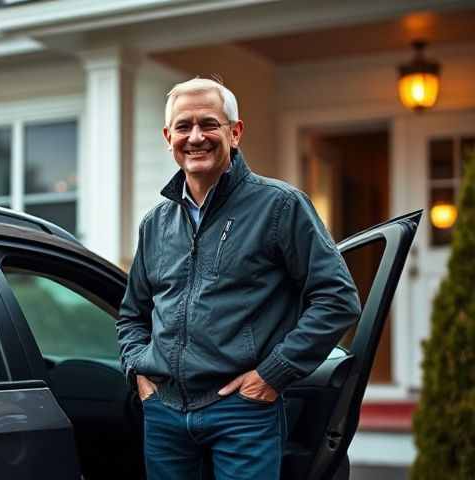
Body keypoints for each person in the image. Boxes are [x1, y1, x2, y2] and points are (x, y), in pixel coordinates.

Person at [116, 77, 361, 480]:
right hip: (165, 416)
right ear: (168, 137)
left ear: (235, 131)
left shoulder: (280, 206)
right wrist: (138, 371)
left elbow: (337, 300)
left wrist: (272, 374)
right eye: (183, 126)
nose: (196, 137)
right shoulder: (155, 224)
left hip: (242, 413)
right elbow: (131, 315)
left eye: (208, 123)